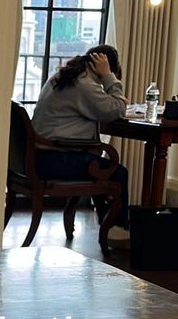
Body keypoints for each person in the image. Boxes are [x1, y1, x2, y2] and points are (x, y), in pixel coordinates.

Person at [32, 45, 129, 242]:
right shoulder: (84, 84)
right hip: (55, 159)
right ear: (103, 66)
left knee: (100, 165)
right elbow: (117, 109)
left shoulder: (65, 77)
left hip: (41, 156)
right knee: (117, 172)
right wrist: (109, 78)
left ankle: (108, 225)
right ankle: (117, 230)